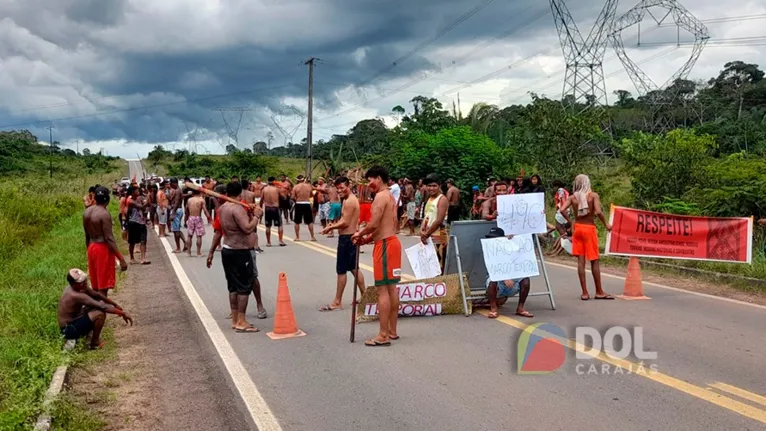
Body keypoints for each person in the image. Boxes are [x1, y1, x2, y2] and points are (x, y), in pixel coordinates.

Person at [352, 166, 401, 347]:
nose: (369, 184)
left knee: (383, 289)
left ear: (378, 178)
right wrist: (366, 240)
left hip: (386, 245)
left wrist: (360, 234)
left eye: (370, 180)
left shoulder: (381, 196)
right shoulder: (389, 196)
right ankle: (392, 331)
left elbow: (373, 224)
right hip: (390, 241)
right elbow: (382, 226)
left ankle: (383, 335)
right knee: (391, 289)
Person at [206, 182, 263, 332]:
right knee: (243, 287)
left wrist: (211, 252)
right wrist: (257, 216)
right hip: (240, 251)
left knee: (233, 287)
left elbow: (219, 231)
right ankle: (241, 322)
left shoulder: (222, 208)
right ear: (241, 193)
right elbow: (247, 228)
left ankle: (235, 319)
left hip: (227, 249)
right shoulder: (237, 208)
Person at [559, 174, 614, 301]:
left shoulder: (573, 197)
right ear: (587, 183)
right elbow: (599, 212)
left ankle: (584, 292)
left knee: (581, 261)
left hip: (578, 229)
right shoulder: (593, 195)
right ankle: (599, 291)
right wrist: (606, 224)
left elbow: (562, 210)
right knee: (594, 260)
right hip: (589, 229)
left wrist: (571, 221)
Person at [320, 177, 366, 311]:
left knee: (341, 270)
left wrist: (330, 227)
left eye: (342, 188)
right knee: (354, 268)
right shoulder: (347, 199)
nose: (339, 190)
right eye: (337, 188)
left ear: (349, 185)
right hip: (350, 237)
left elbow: (345, 222)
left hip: (347, 238)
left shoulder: (350, 201)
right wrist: (334, 225)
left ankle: (337, 301)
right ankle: (365, 296)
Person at [58, 269, 133, 350]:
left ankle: (89, 336)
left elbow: (97, 295)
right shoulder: (75, 295)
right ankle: (94, 342)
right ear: (74, 284)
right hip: (68, 329)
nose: (85, 282)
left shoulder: (78, 287)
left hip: (74, 320)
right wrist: (123, 313)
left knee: (97, 304)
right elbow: (103, 307)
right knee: (99, 314)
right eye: (82, 282)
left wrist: (115, 304)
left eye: (85, 280)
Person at [84, 187, 129, 297]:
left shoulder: (87, 212)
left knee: (95, 286)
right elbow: (109, 238)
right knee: (103, 287)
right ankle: (101, 312)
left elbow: (87, 236)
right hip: (102, 249)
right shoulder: (104, 214)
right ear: (107, 200)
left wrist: (88, 252)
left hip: (91, 247)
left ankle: (98, 309)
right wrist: (121, 259)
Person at [481, 227, 534, 319]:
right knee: (492, 280)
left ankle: (520, 308)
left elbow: (523, 247)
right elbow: (492, 269)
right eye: (490, 239)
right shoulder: (489, 252)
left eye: (495, 238)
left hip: (512, 281)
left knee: (525, 279)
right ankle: (493, 308)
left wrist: (515, 238)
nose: (492, 240)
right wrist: (503, 277)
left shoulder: (510, 249)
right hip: (497, 282)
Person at [420, 174, 450, 269]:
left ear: (439, 186)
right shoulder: (430, 198)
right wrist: (421, 230)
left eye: (434, 186)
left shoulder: (442, 199)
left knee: (438, 263)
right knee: (429, 262)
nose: (431, 188)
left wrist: (426, 234)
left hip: (439, 234)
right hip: (428, 234)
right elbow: (427, 216)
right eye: (429, 186)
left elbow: (439, 220)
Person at [126, 186, 150, 265]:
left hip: (141, 222)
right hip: (133, 222)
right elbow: (142, 207)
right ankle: (132, 258)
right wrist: (148, 198)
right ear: (132, 192)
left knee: (143, 240)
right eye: (136, 191)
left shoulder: (139, 199)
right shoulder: (130, 201)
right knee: (132, 242)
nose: (138, 192)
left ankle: (142, 258)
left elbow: (145, 207)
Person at [185, 189, 212, 257]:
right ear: (200, 192)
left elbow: (186, 209)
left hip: (191, 217)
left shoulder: (189, 200)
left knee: (189, 236)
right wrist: (209, 218)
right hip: (198, 218)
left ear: (192, 193)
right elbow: (205, 210)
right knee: (199, 236)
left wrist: (186, 219)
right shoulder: (201, 200)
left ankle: (188, 252)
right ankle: (198, 252)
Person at [261, 177, 286, 247]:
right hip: (275, 208)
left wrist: (260, 207)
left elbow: (261, 199)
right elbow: (284, 197)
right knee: (280, 225)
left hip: (267, 208)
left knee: (268, 226)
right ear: (274, 181)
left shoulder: (264, 189)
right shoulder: (277, 189)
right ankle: (280, 241)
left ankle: (268, 242)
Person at [241, 180, 264, 253]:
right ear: (248, 185)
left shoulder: (238, 194)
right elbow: (254, 204)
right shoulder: (252, 194)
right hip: (249, 213)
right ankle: (256, 246)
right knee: (254, 230)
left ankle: (244, 246)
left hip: (240, 213)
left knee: (242, 231)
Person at [292, 175, 317, 241]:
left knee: (297, 222)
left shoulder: (295, 187)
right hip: (307, 203)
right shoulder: (309, 186)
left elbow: (292, 197)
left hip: (299, 204)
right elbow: (311, 195)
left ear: (297, 180)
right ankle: (312, 237)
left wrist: (296, 200)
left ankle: (297, 237)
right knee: (310, 221)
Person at [168, 178, 188, 253]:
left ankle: (178, 248)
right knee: (177, 229)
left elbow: (176, 203)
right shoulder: (179, 190)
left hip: (176, 211)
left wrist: (173, 213)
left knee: (175, 231)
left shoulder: (177, 191)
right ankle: (185, 243)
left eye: (171, 183)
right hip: (178, 210)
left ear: (174, 183)